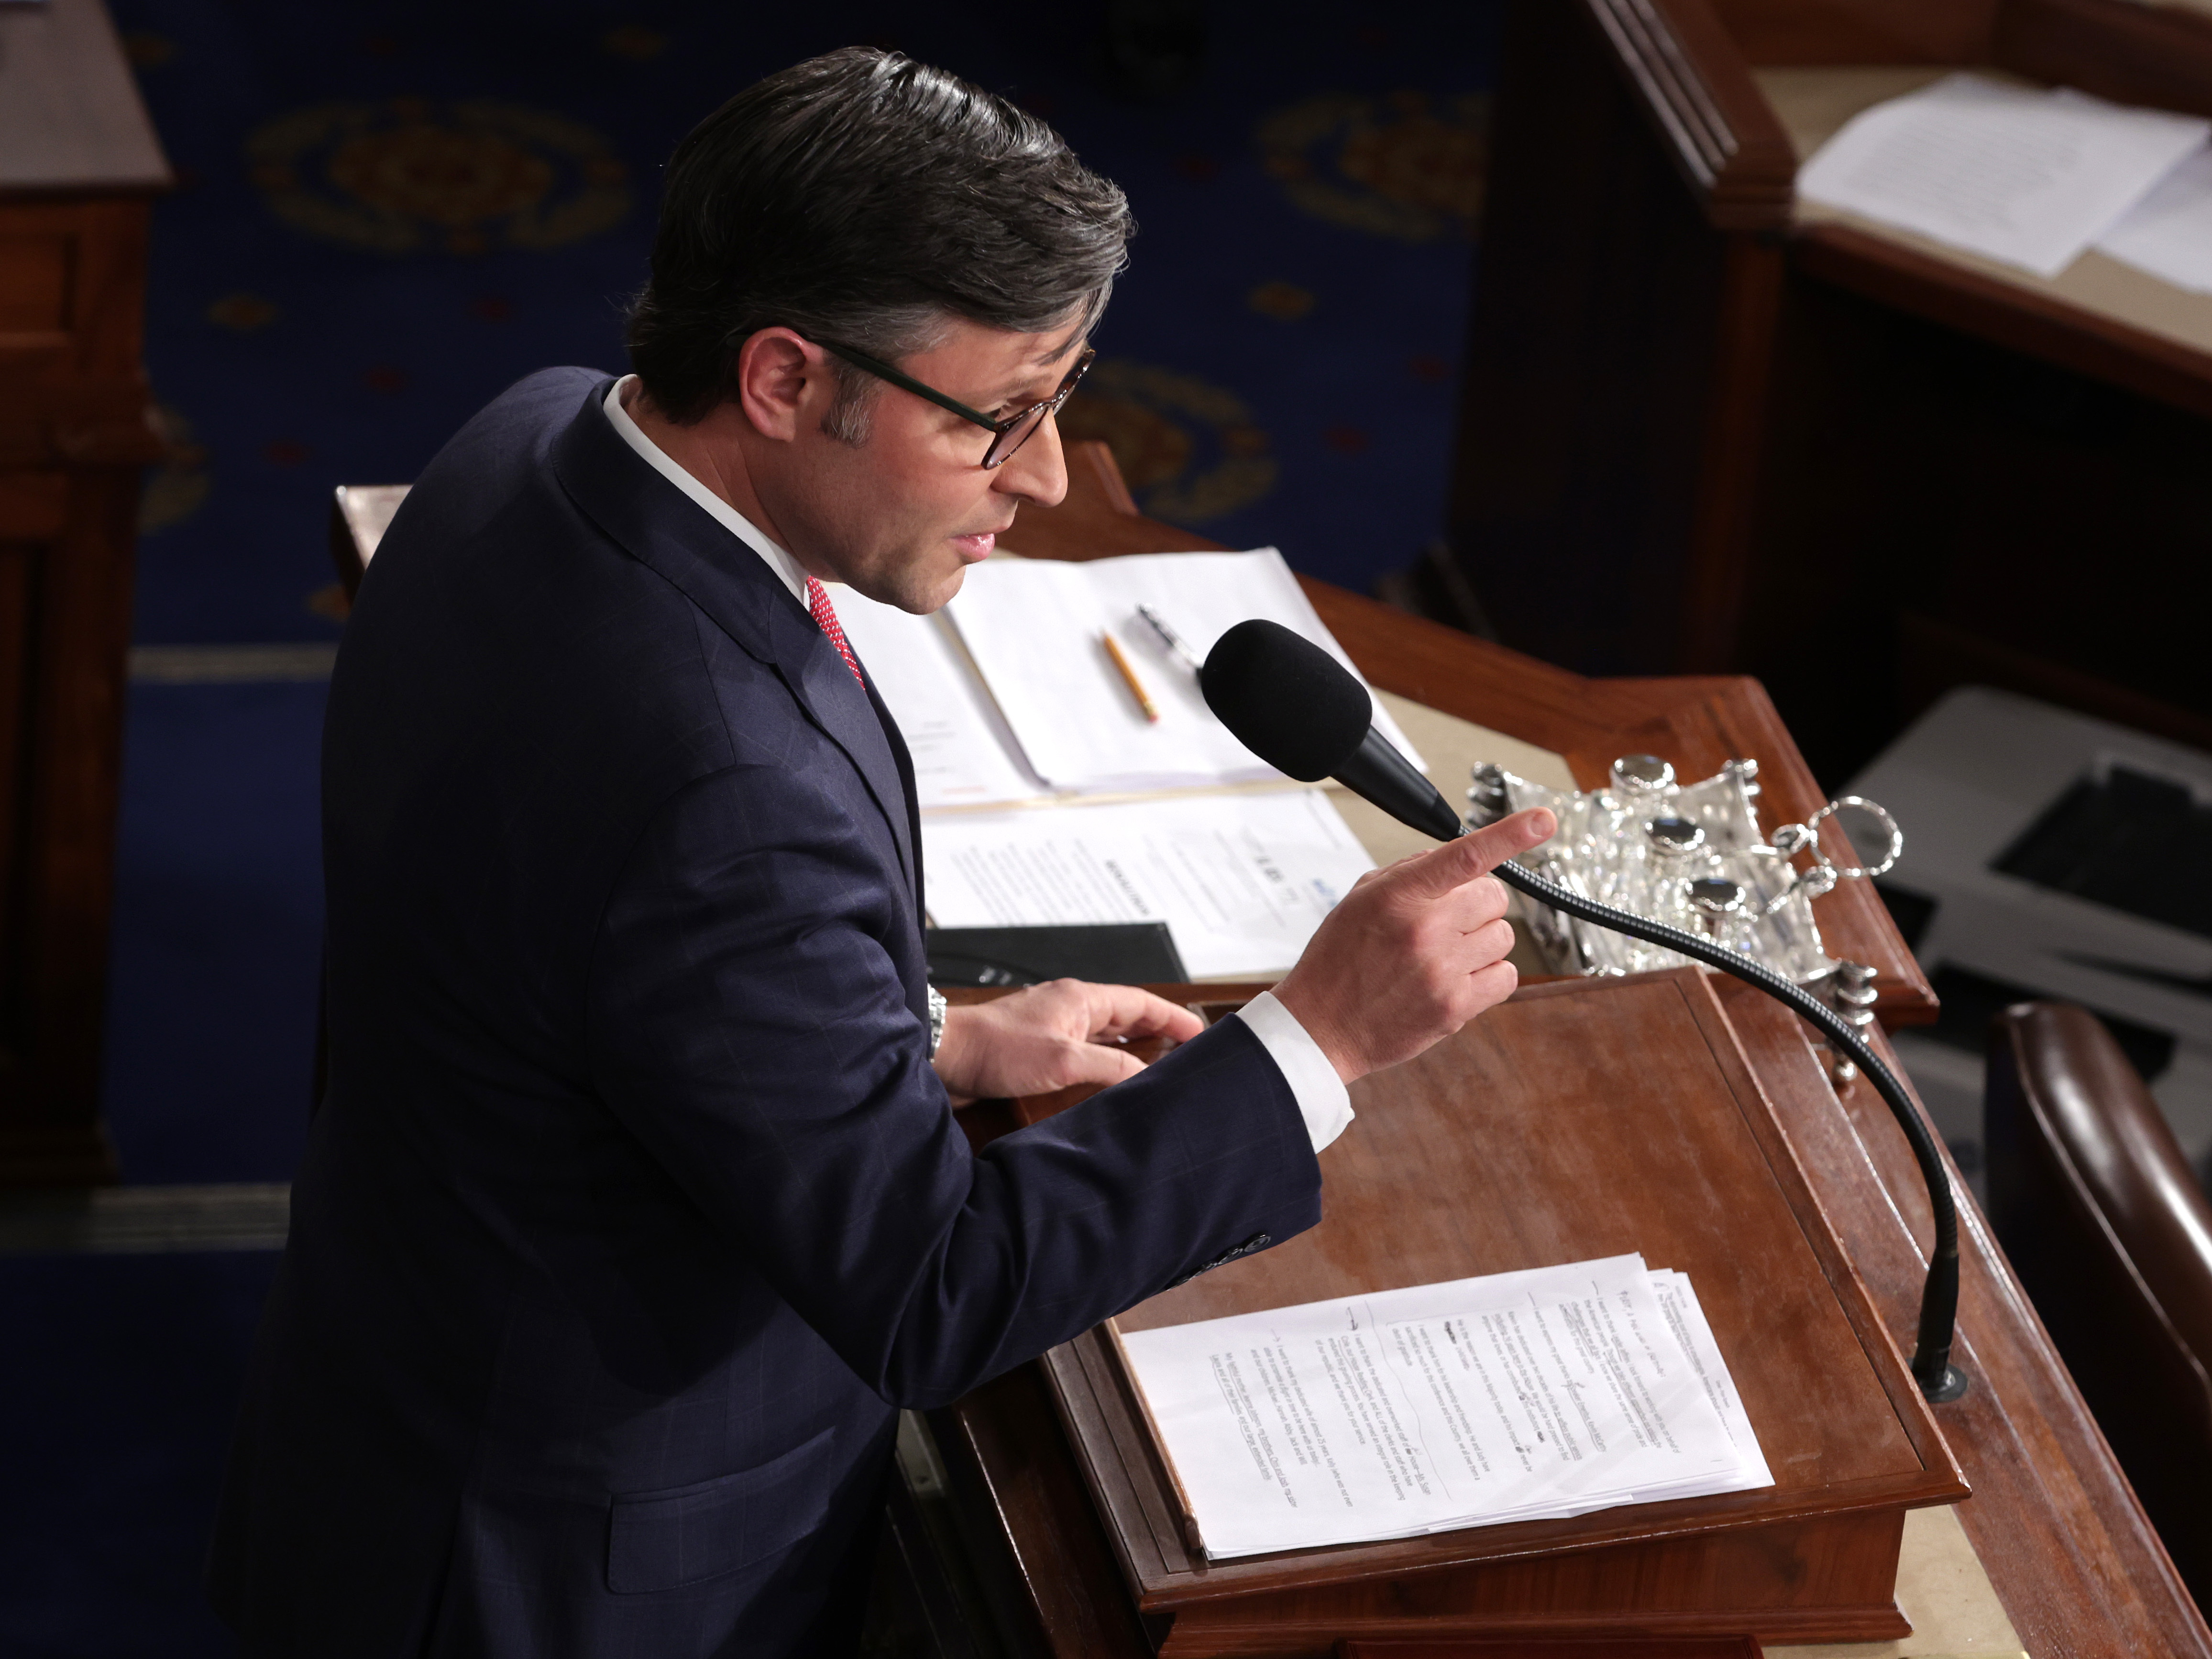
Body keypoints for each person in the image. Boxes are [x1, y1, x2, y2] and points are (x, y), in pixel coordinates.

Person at [208, 47, 1552, 1659]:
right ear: (781, 381)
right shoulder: (721, 787)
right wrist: (1317, 1037)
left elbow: (556, 935)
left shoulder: (532, 436)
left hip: (393, 1385)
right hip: (566, 1570)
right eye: (1001, 416)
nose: (1046, 477)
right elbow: (931, 1293)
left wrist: (916, 1034)